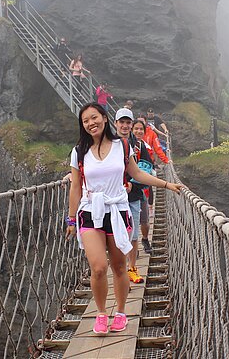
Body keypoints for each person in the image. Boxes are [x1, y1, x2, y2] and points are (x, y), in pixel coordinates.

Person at [66, 103, 182, 335]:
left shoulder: (122, 146)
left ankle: (120, 312)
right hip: (90, 212)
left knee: (119, 267)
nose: (91, 123)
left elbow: (137, 173)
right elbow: (76, 186)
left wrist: (167, 184)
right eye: (85, 121)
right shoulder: (79, 151)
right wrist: (71, 220)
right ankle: (101, 313)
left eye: (94, 117)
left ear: (104, 118)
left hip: (117, 212)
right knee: (98, 267)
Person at [113, 108, 152, 284]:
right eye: (122, 122)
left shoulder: (139, 146)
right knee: (115, 236)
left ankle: (132, 269)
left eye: (128, 122)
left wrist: (131, 184)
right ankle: (120, 272)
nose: (125, 126)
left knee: (133, 235)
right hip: (112, 199)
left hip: (133, 196)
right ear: (115, 124)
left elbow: (145, 168)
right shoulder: (107, 143)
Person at [130, 119, 154, 254]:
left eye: (141, 129)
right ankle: (134, 249)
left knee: (144, 220)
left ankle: (144, 239)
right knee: (130, 221)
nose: (139, 131)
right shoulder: (122, 144)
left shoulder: (143, 146)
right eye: (136, 129)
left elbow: (148, 165)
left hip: (142, 187)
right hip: (127, 188)